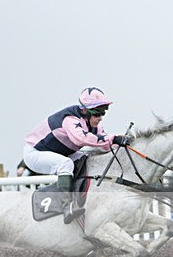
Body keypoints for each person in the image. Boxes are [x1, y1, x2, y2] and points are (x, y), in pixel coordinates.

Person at [23, 87, 131, 223]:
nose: (100, 118)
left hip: (62, 152)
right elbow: (81, 139)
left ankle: (82, 199)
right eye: (97, 113)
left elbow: (104, 144)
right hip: (35, 153)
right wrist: (113, 138)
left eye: (103, 112)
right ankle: (66, 206)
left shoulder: (95, 125)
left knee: (87, 160)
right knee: (65, 164)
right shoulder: (70, 119)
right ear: (85, 110)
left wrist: (121, 143)